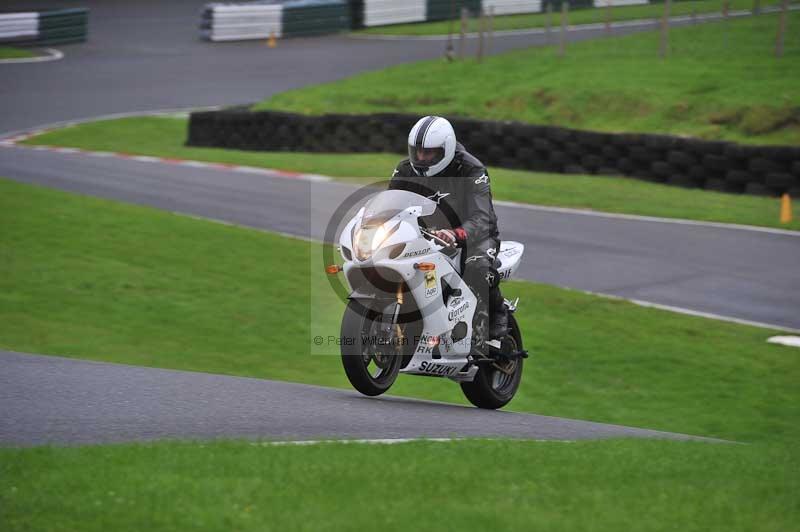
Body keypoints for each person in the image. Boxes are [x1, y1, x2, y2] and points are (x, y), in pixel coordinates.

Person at [389, 115, 508, 339]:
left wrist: (456, 234)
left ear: (446, 148)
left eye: (429, 152)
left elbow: (483, 218)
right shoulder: (404, 170)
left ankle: (498, 311)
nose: (422, 158)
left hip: (474, 237)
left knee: (478, 270)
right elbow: (388, 206)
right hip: (427, 236)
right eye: (418, 151)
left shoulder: (472, 170)